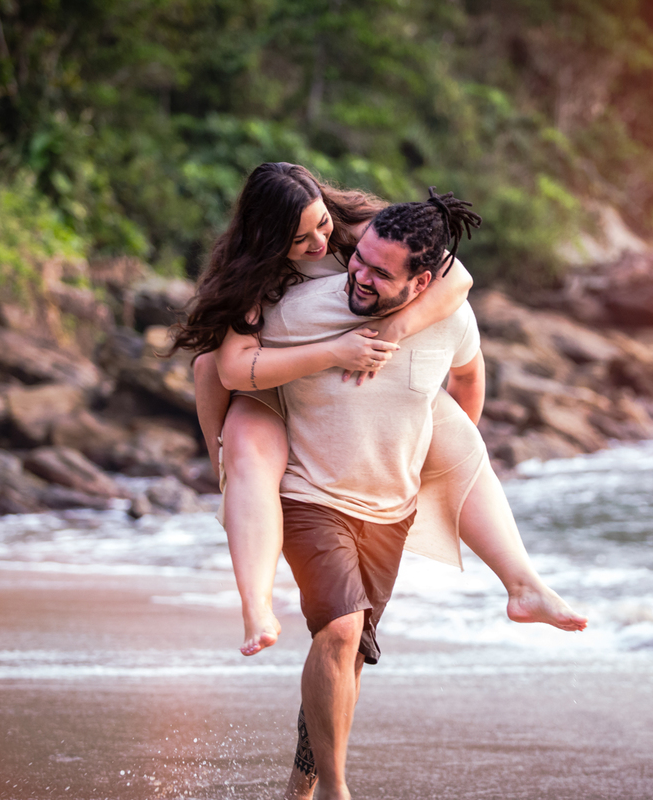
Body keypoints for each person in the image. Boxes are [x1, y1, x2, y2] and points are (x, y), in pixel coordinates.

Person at [172, 164, 585, 663]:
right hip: (271, 378)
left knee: (452, 432)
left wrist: (399, 329)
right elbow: (225, 370)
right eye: (299, 239)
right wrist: (334, 353)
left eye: (320, 224)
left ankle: (524, 586)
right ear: (266, 238)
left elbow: (459, 277)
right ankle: (256, 605)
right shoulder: (249, 273)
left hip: (359, 375)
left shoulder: (357, 228)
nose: (320, 243)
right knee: (243, 442)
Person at [257, 193, 527, 799]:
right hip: (310, 494)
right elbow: (231, 358)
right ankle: (336, 789)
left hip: (390, 510)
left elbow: (467, 373)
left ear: (422, 281)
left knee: (349, 654)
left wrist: (448, 449)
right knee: (341, 630)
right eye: (361, 260)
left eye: (381, 273)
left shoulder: (449, 318)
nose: (359, 274)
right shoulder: (304, 308)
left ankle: (301, 787)